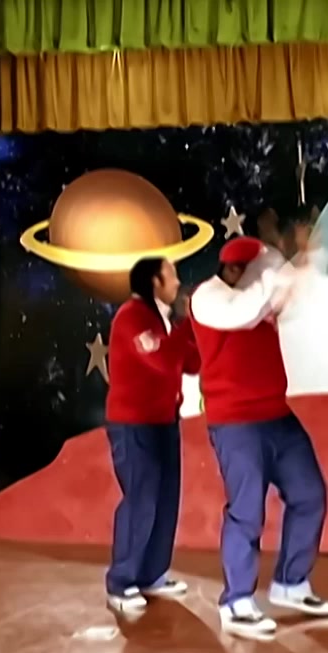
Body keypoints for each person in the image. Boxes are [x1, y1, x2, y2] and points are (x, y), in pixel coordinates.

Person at [188, 235, 328, 639]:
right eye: (257, 270)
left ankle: (292, 583)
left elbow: (288, 295)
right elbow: (246, 312)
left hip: (277, 415)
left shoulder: (256, 294)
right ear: (235, 270)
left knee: (310, 495)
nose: (265, 278)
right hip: (235, 423)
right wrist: (275, 274)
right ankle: (236, 602)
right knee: (247, 511)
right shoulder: (208, 298)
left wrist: (306, 259)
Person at [104, 258, 201, 614]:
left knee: (165, 501)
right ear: (154, 282)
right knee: (141, 500)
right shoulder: (131, 317)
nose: (177, 282)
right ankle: (121, 582)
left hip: (164, 423)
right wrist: (187, 324)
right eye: (171, 275)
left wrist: (190, 326)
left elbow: (192, 363)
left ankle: (151, 574)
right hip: (134, 426)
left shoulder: (163, 320)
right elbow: (161, 359)